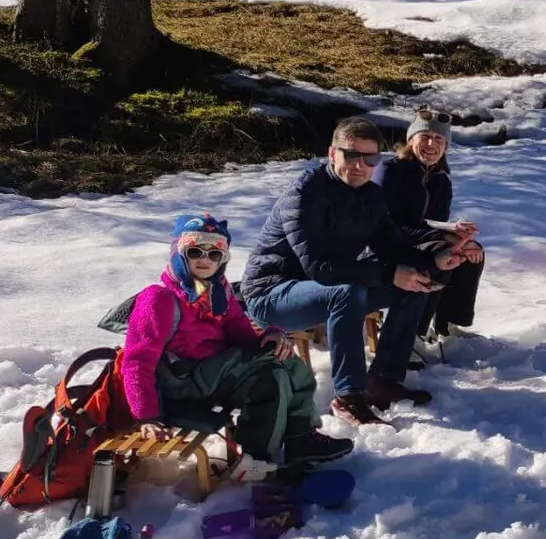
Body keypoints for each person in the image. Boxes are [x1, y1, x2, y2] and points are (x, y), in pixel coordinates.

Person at [240, 115, 464, 422]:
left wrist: (434, 259)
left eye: (370, 158)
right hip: (274, 295)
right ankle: (348, 396)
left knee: (414, 281)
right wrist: (389, 274)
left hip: (330, 286)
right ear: (332, 154)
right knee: (346, 292)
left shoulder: (371, 196)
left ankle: (383, 379)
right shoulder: (306, 195)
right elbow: (319, 268)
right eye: (352, 155)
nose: (361, 165)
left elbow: (392, 247)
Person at [120, 213, 350, 466]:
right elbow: (137, 360)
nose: (205, 260)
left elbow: (238, 328)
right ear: (179, 254)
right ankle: (285, 447)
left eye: (214, 254)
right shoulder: (158, 299)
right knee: (272, 357)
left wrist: (268, 336)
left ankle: (273, 451)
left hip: (216, 376)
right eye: (195, 252)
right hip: (182, 380)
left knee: (275, 376)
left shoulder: (217, 291)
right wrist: (146, 416)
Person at [374, 109, 487, 346]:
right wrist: (444, 239)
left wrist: (458, 236)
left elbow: (434, 223)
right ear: (411, 140)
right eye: (424, 137)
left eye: (438, 139)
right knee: (441, 253)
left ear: (445, 146)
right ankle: (414, 333)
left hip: (418, 240)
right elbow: (385, 225)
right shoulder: (389, 171)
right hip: (384, 244)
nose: (431, 144)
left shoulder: (441, 180)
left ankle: (449, 325)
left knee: (470, 253)